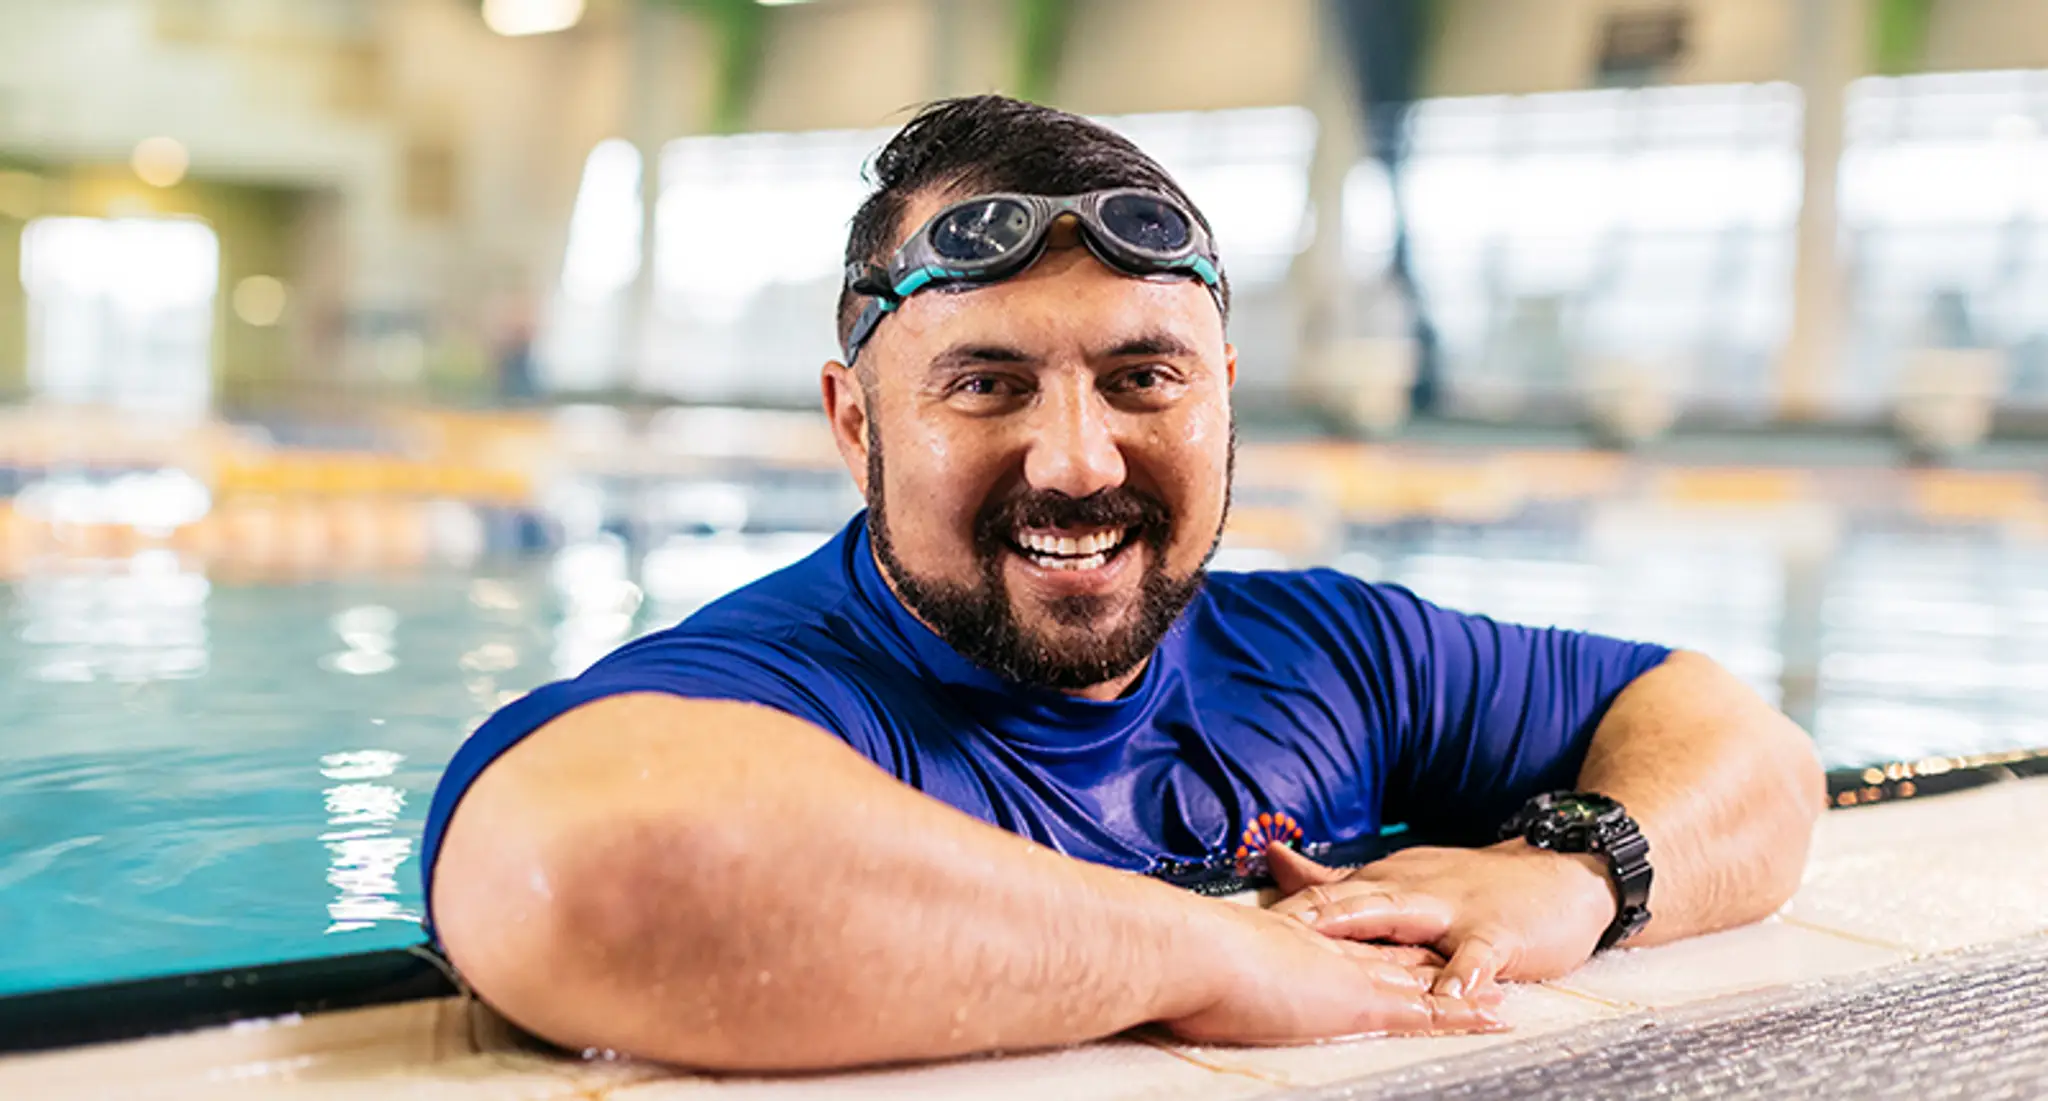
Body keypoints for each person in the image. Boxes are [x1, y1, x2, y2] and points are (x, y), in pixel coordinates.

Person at [423, 96, 1823, 1072]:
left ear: (1222, 393)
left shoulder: (1330, 653)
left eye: (1142, 377)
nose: (1080, 462)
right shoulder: (792, 692)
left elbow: (1742, 744)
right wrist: (1216, 958)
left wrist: (1579, 872)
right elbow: (572, 873)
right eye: (986, 386)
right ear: (857, 424)